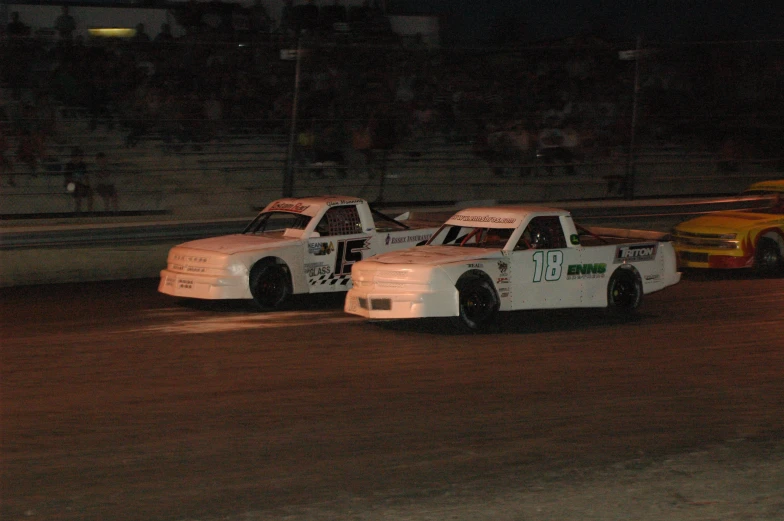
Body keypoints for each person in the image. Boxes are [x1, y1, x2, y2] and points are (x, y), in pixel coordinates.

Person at [64, 147, 93, 213]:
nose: (77, 158)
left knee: (89, 192)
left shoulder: (83, 165)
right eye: (76, 156)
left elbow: (86, 176)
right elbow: (67, 178)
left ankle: (90, 211)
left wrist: (88, 185)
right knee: (79, 189)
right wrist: (76, 182)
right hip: (70, 185)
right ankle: (78, 209)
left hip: (81, 184)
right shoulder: (69, 165)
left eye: (79, 157)